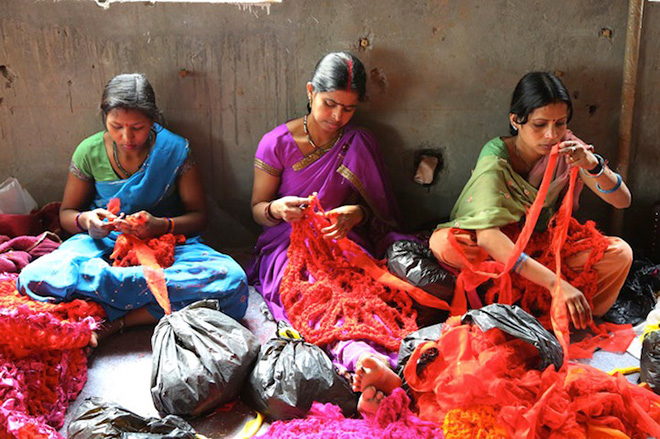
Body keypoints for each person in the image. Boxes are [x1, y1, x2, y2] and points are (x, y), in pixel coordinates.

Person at [18, 73, 249, 345]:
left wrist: (161, 225)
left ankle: (115, 318)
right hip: (104, 243)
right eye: (116, 126)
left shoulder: (174, 150)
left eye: (137, 127)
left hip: (169, 244)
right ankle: (140, 298)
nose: (127, 137)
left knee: (233, 283)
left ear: (153, 120)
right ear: (104, 118)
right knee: (34, 277)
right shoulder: (88, 152)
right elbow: (67, 213)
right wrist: (89, 221)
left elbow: (199, 217)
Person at [248, 52, 406, 411]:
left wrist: (356, 213)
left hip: (342, 241)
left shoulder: (359, 142)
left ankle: (374, 365)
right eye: (329, 104)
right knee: (314, 294)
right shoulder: (276, 143)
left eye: (348, 109)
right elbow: (257, 209)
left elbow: (382, 212)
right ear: (310, 92)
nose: (337, 117)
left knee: (364, 294)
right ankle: (359, 360)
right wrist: (277, 208)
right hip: (287, 244)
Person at [428, 71, 632, 331]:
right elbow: (489, 237)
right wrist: (555, 283)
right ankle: (528, 303)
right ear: (516, 120)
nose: (551, 134)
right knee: (447, 245)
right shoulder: (496, 156)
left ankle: (559, 315)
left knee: (620, 254)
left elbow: (622, 200)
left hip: (545, 246)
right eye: (540, 124)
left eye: (559, 123)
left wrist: (592, 164)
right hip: (500, 248)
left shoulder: (568, 148)